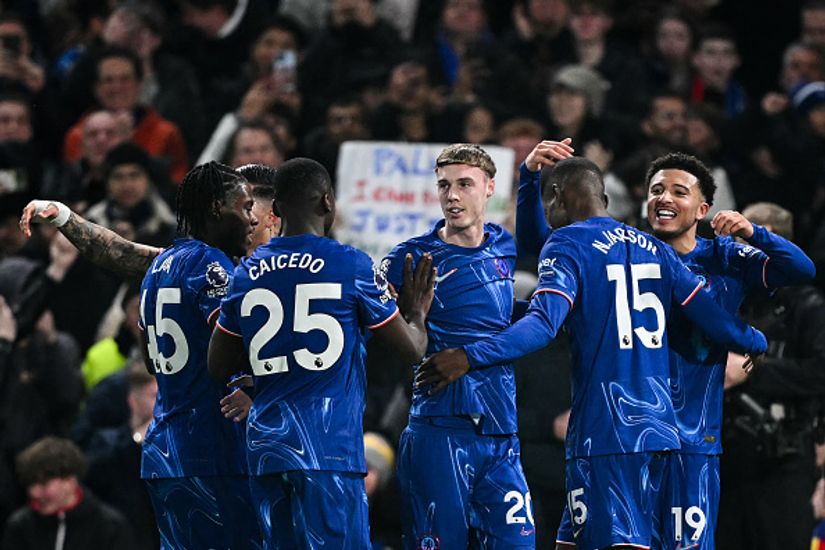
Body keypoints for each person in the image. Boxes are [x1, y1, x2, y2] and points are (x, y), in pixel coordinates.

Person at [418, 154, 769, 550]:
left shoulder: (568, 243)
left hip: (607, 431)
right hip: (657, 431)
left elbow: (542, 325)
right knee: (572, 544)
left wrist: (470, 355)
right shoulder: (654, 248)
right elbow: (711, 316)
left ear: (557, 197)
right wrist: (753, 340)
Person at [19, 162, 264, 548]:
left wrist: (65, 216)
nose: (252, 219)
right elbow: (232, 342)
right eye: (245, 207)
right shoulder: (209, 265)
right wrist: (257, 382)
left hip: (165, 448)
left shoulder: (161, 267)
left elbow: (117, 252)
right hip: (214, 450)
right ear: (218, 207)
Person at [207, 157, 434, 548]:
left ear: (275, 210)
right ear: (328, 203)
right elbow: (412, 350)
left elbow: (217, 364)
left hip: (266, 450)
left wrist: (254, 381)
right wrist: (415, 313)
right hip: (328, 450)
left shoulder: (247, 273)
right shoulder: (351, 264)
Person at [380, 143, 535, 549]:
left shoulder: (503, 244)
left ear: (489, 188)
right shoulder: (411, 257)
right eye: (444, 185)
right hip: (438, 430)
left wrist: (532, 175)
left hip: (502, 433)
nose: (451, 195)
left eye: (464, 184)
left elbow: (497, 308)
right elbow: (362, 323)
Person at [717, 202, 824, 550]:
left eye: (744, 237)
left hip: (784, 462)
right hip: (726, 459)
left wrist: (751, 370)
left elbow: (819, 373)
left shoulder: (806, 306)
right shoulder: (727, 300)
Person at [0, 436, 135, 550]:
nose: (34, 493)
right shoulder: (20, 526)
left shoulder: (110, 527)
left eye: (43, 484)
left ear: (70, 481)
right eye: (30, 484)